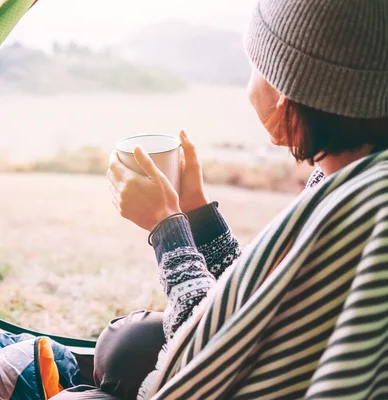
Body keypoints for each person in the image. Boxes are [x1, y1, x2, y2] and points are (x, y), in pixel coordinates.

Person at [53, 0, 388, 398]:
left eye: (255, 64)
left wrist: (168, 231)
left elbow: (207, 354)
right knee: (125, 343)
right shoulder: (348, 173)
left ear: (287, 90)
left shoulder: (354, 213)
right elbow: (255, 304)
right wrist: (199, 216)